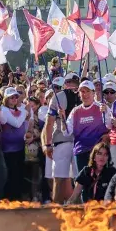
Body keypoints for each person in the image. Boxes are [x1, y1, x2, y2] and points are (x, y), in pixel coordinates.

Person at [44, 73, 80, 204]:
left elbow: (49, 122)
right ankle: (74, 212)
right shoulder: (85, 94)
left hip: (66, 142)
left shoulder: (58, 96)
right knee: (76, 180)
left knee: (60, 178)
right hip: (77, 142)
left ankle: (57, 212)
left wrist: (47, 144)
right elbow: (48, 122)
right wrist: (47, 144)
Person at [67, 79, 110, 175]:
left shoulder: (101, 107)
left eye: (88, 91)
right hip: (81, 151)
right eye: (82, 91)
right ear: (79, 94)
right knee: (83, 182)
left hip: (98, 152)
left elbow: (110, 125)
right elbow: (67, 132)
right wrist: (62, 120)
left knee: (98, 180)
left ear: (93, 93)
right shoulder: (75, 111)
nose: (85, 94)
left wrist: (106, 112)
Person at [0, 87, 29, 201]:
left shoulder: (19, 110)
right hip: (8, 149)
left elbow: (25, 124)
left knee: (19, 175)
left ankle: (18, 199)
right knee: (11, 176)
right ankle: (9, 200)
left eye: (16, 96)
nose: (14, 99)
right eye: (11, 97)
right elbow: (16, 123)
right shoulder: (3, 110)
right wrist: (25, 112)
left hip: (20, 148)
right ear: (6, 99)